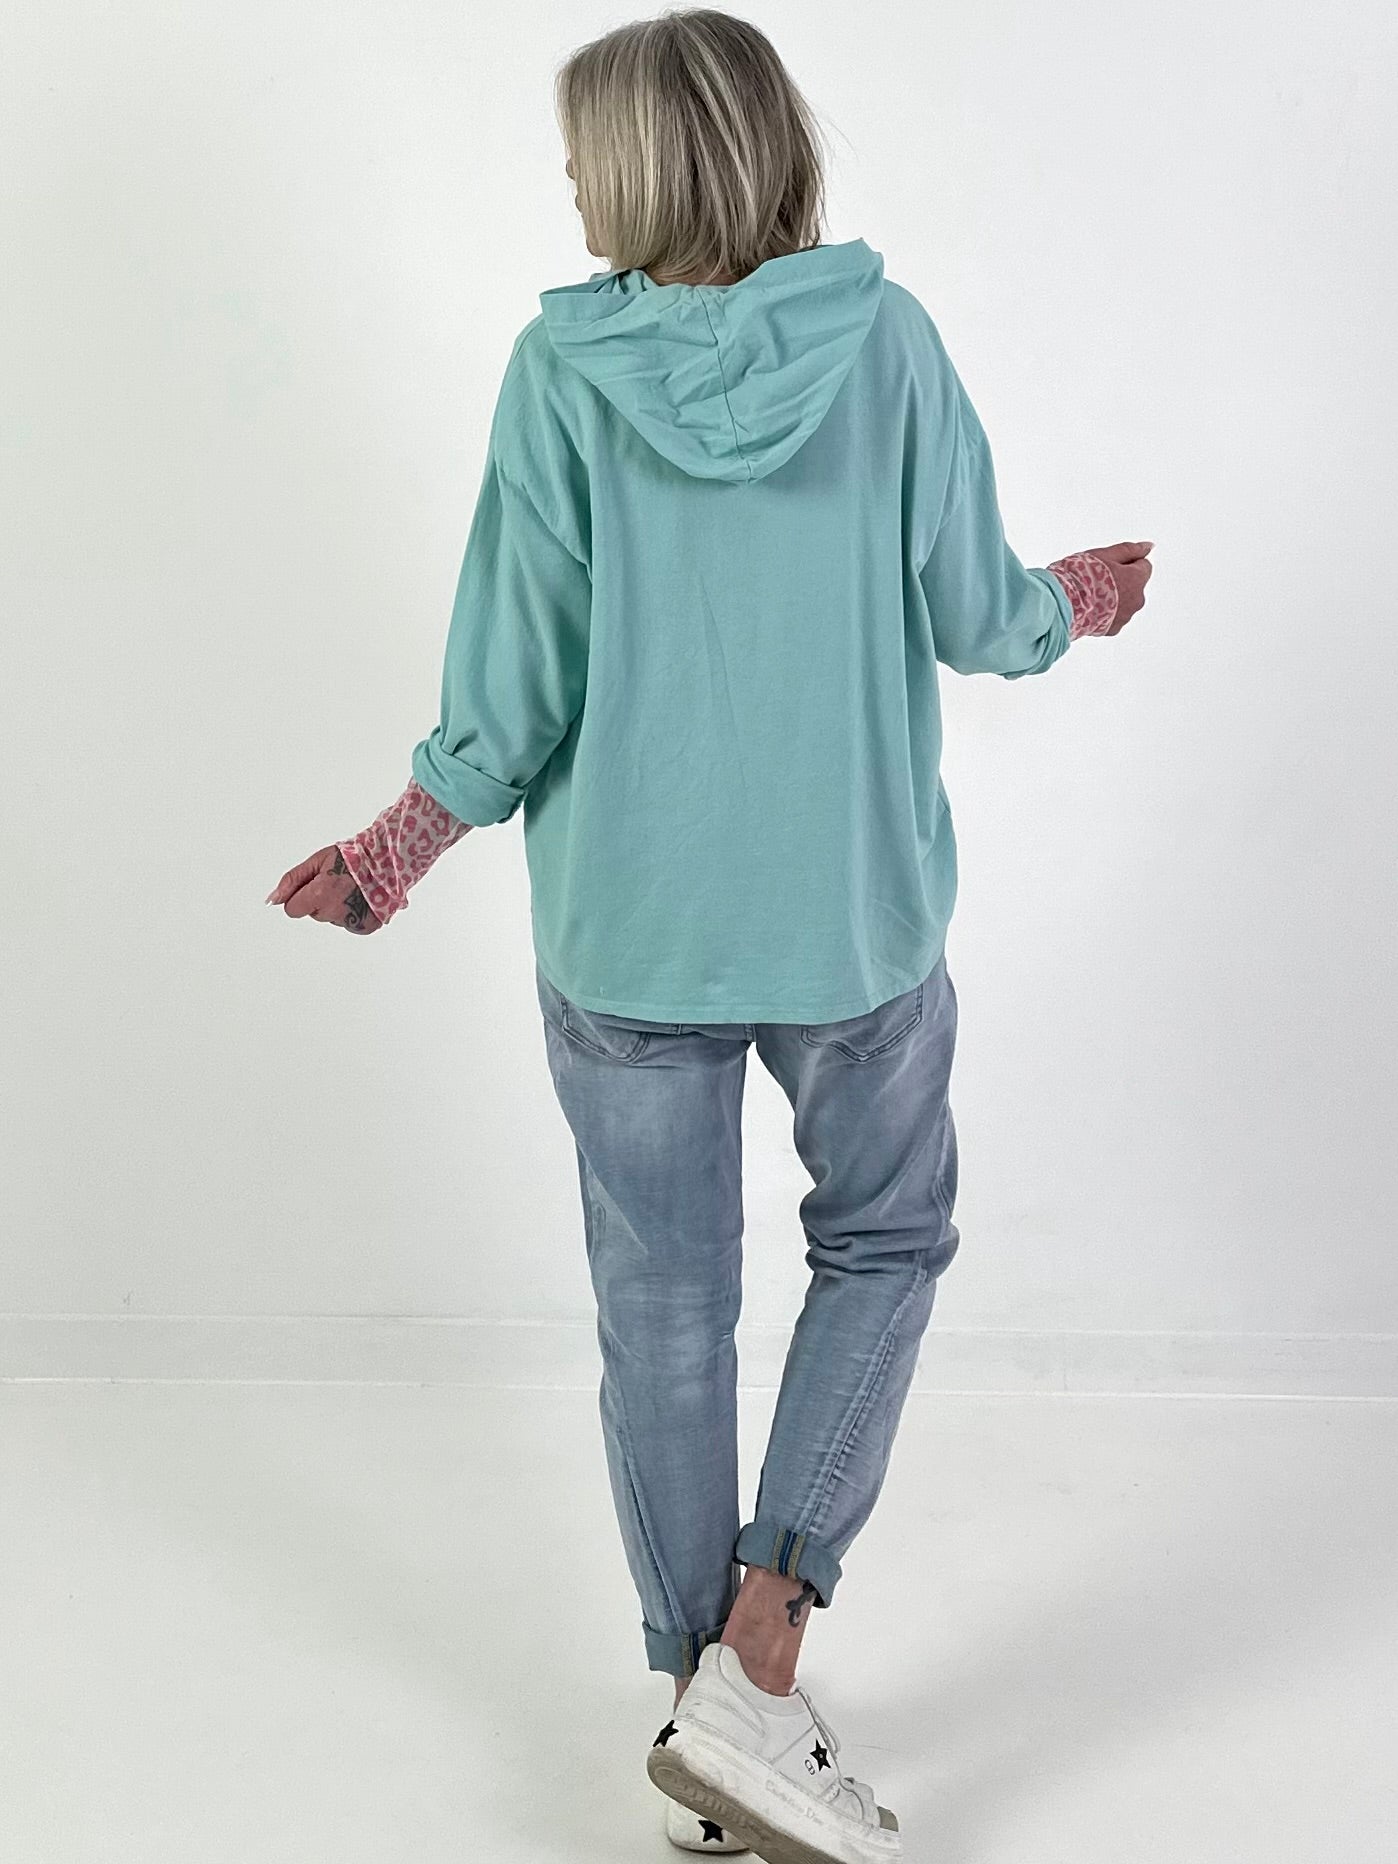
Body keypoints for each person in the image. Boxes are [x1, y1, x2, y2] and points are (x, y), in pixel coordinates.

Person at [267, 9, 1153, 1859]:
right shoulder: (884, 344)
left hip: (631, 930)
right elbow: (980, 616)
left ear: (648, 170)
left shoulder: (559, 372)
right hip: (849, 924)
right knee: (882, 1240)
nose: (569, 185)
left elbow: (513, 682)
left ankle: (703, 1709)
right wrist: (1070, 598)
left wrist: (402, 841)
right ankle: (758, 1663)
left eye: (583, 156)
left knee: (659, 1309)